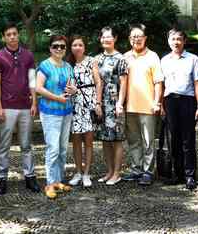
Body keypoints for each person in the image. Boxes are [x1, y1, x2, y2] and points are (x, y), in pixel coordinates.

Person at [0, 23, 41, 194]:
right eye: (8, 34)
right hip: (7, 106)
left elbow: (32, 80)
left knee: (26, 144)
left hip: (26, 106)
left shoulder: (28, 55)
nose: (12, 37)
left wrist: (34, 102)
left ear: (18, 35)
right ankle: (2, 178)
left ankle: (30, 177)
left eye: (14, 33)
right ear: (4, 37)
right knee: (4, 144)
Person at [160, 29, 198, 190]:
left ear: (184, 41)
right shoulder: (164, 60)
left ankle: (190, 175)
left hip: (187, 101)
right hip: (170, 101)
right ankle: (177, 174)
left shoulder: (193, 59)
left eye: (179, 39)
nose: (176, 42)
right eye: (173, 39)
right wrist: (161, 105)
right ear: (168, 41)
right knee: (174, 139)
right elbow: (161, 84)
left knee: (188, 139)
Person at [35, 35, 78, 199]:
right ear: (50, 48)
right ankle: (50, 183)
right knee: (53, 148)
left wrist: (73, 90)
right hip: (50, 112)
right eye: (55, 46)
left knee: (62, 148)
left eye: (62, 46)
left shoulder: (68, 66)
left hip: (66, 111)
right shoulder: (44, 66)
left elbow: (72, 86)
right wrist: (57, 98)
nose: (59, 49)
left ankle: (58, 180)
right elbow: (38, 88)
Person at [123, 24, 164, 186]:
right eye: (133, 36)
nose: (136, 39)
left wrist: (157, 102)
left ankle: (148, 171)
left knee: (148, 141)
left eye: (139, 36)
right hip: (129, 106)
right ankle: (136, 169)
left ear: (145, 38)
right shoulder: (125, 57)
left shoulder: (153, 56)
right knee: (133, 141)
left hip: (148, 106)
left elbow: (158, 82)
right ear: (129, 39)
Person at [66, 36, 102, 188]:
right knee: (75, 141)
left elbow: (98, 82)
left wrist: (98, 103)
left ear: (84, 47)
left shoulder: (91, 61)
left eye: (80, 45)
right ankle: (78, 172)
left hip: (89, 103)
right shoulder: (68, 64)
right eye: (74, 45)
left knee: (88, 140)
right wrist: (70, 90)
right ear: (71, 47)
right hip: (74, 104)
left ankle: (87, 173)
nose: (77, 47)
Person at [94, 26, 128, 186]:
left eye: (109, 37)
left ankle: (117, 173)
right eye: (103, 37)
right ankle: (109, 171)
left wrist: (120, 103)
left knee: (116, 138)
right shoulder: (97, 59)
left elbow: (124, 83)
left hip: (115, 102)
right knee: (105, 138)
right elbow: (97, 82)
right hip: (102, 102)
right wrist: (97, 102)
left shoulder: (121, 58)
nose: (106, 39)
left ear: (115, 39)